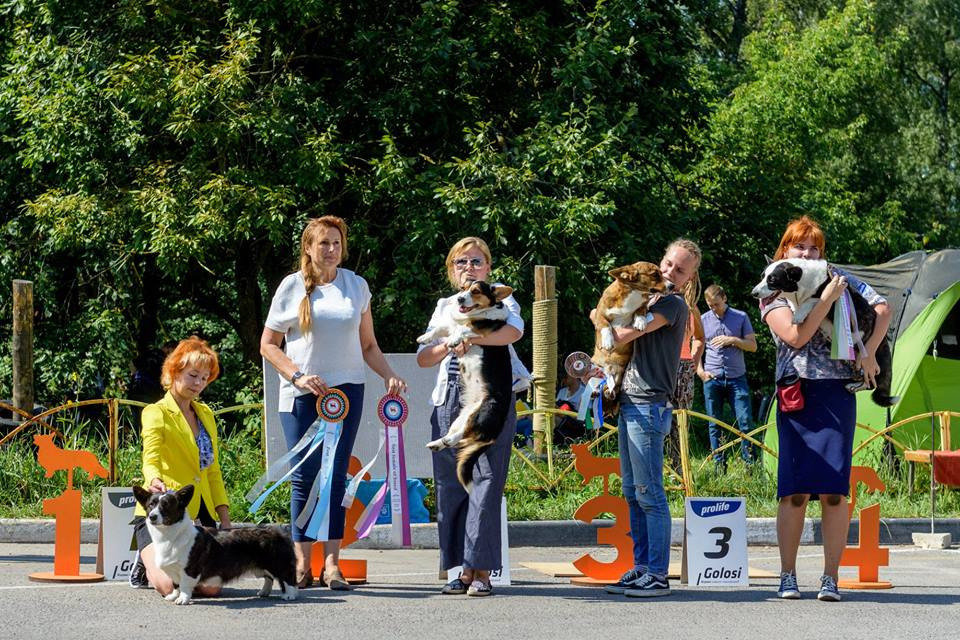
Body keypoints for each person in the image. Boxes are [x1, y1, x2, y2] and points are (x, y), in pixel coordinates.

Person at [260, 216, 406, 590]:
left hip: (346, 394)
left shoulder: (356, 285)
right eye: (323, 243)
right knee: (305, 479)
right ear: (308, 248)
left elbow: (368, 345)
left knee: (336, 477)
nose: (330, 250)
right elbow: (268, 345)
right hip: (302, 395)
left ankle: (333, 565)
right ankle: (300, 564)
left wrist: (388, 374)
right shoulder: (291, 287)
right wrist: (296, 375)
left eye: (336, 243)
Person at [762, 216, 890, 602]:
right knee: (795, 492)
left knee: (835, 491)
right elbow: (796, 337)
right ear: (786, 250)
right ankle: (787, 576)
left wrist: (867, 352)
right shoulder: (774, 288)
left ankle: (830, 578)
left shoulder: (838, 277)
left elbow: (882, 307)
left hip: (837, 392)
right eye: (800, 246)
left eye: (814, 247)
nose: (807, 253)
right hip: (796, 393)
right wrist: (827, 300)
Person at [417, 236, 527, 597]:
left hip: (491, 395)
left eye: (476, 262)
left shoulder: (499, 297)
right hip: (451, 392)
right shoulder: (446, 306)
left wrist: (473, 338)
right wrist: (450, 343)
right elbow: (424, 357)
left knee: (487, 479)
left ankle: (481, 570)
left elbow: (513, 331)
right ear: (452, 270)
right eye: (462, 263)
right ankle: (458, 568)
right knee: (452, 483)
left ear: (488, 268)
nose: (469, 269)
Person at [599, 238, 701, 598]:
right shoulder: (648, 299)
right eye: (669, 263)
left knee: (650, 493)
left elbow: (623, 333)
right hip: (630, 401)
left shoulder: (673, 305)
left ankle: (657, 573)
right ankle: (641, 566)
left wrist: (605, 324)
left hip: (649, 405)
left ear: (689, 278)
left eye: (681, 269)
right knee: (632, 492)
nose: (671, 272)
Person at [129, 336, 230, 596]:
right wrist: (153, 480)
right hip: (166, 510)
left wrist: (226, 521)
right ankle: (145, 564)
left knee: (210, 589)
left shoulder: (206, 414)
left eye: (205, 378)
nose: (199, 383)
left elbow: (213, 471)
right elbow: (150, 457)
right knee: (165, 586)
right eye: (193, 375)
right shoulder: (155, 412)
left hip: (200, 514)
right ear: (174, 371)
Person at [698, 284, 758, 471]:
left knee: (745, 421)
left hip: (736, 378)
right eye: (710, 305)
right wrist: (700, 372)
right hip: (712, 378)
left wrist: (732, 340)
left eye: (716, 304)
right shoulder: (703, 320)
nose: (713, 308)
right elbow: (696, 347)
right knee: (714, 424)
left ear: (724, 298)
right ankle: (719, 466)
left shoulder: (740, 317)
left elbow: (753, 346)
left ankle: (750, 466)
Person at [666, 273, 705, 470]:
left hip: (682, 367)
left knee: (679, 422)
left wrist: (693, 363)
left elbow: (700, 337)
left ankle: (679, 471)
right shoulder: (658, 303)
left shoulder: (691, 309)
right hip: (659, 366)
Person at [554, 372, 587, 445]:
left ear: (575, 376)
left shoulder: (584, 392)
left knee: (552, 420)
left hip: (575, 422)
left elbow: (584, 417)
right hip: (561, 417)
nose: (563, 379)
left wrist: (564, 413)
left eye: (566, 376)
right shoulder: (562, 391)